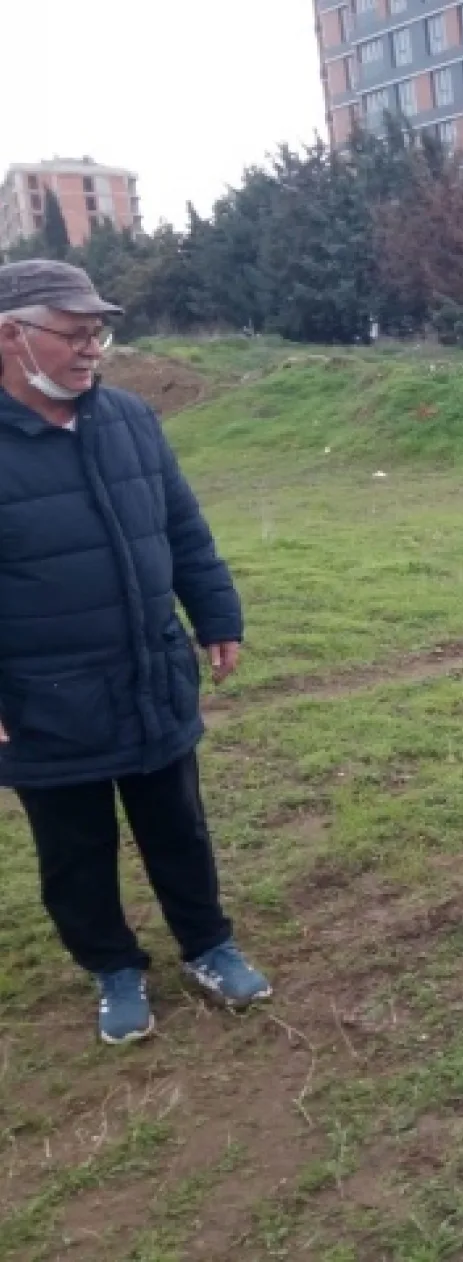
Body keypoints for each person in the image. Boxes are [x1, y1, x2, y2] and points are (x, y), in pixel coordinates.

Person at [0, 260, 271, 1046]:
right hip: (43, 695)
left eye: (99, 334)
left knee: (178, 824)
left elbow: (181, 525)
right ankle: (113, 968)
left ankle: (209, 945)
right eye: (74, 333)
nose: (92, 349)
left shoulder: (128, 419)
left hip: (150, 672)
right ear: (11, 335)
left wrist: (216, 613)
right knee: (74, 847)